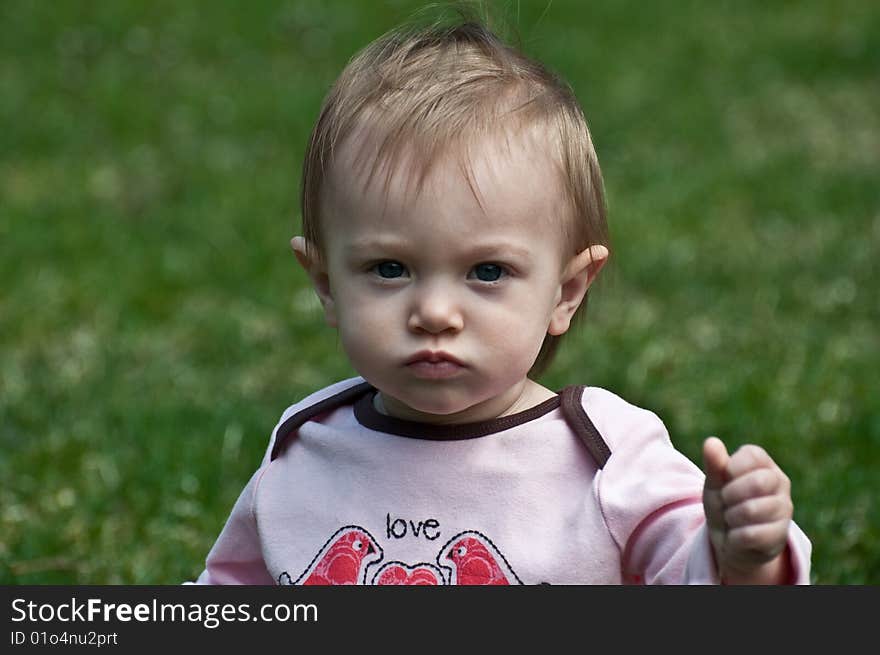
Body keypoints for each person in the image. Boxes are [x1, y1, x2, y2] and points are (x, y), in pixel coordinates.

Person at [191, 16, 811, 585]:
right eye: (389, 268)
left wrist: (743, 553)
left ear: (566, 292)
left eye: (487, 271)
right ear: (325, 283)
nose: (435, 312)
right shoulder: (305, 447)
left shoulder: (604, 456)